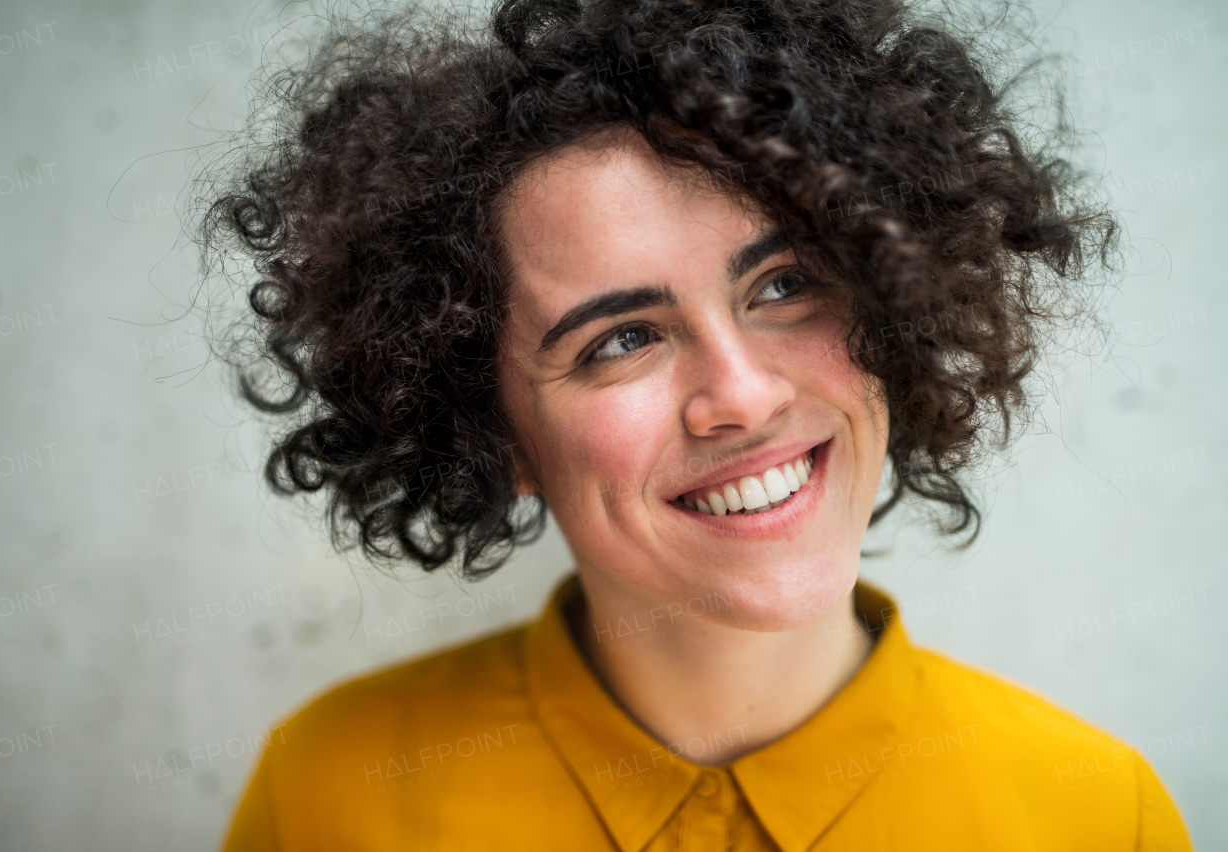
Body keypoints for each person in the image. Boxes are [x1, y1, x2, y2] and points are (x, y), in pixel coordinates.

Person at [203, 0, 1192, 847]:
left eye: (784, 284)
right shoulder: (327, 797)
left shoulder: (1101, 814)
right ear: (490, 436)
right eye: (618, 339)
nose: (744, 396)